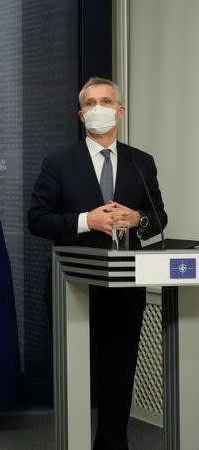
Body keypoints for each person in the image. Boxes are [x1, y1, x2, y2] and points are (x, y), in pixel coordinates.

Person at [28, 77, 167, 450]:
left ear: (120, 110)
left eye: (106, 101)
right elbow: (36, 219)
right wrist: (85, 221)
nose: (99, 108)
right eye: (90, 103)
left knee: (118, 383)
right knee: (76, 382)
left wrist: (138, 219)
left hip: (125, 291)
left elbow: (159, 217)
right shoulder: (58, 163)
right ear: (81, 114)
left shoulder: (142, 162)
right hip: (73, 289)